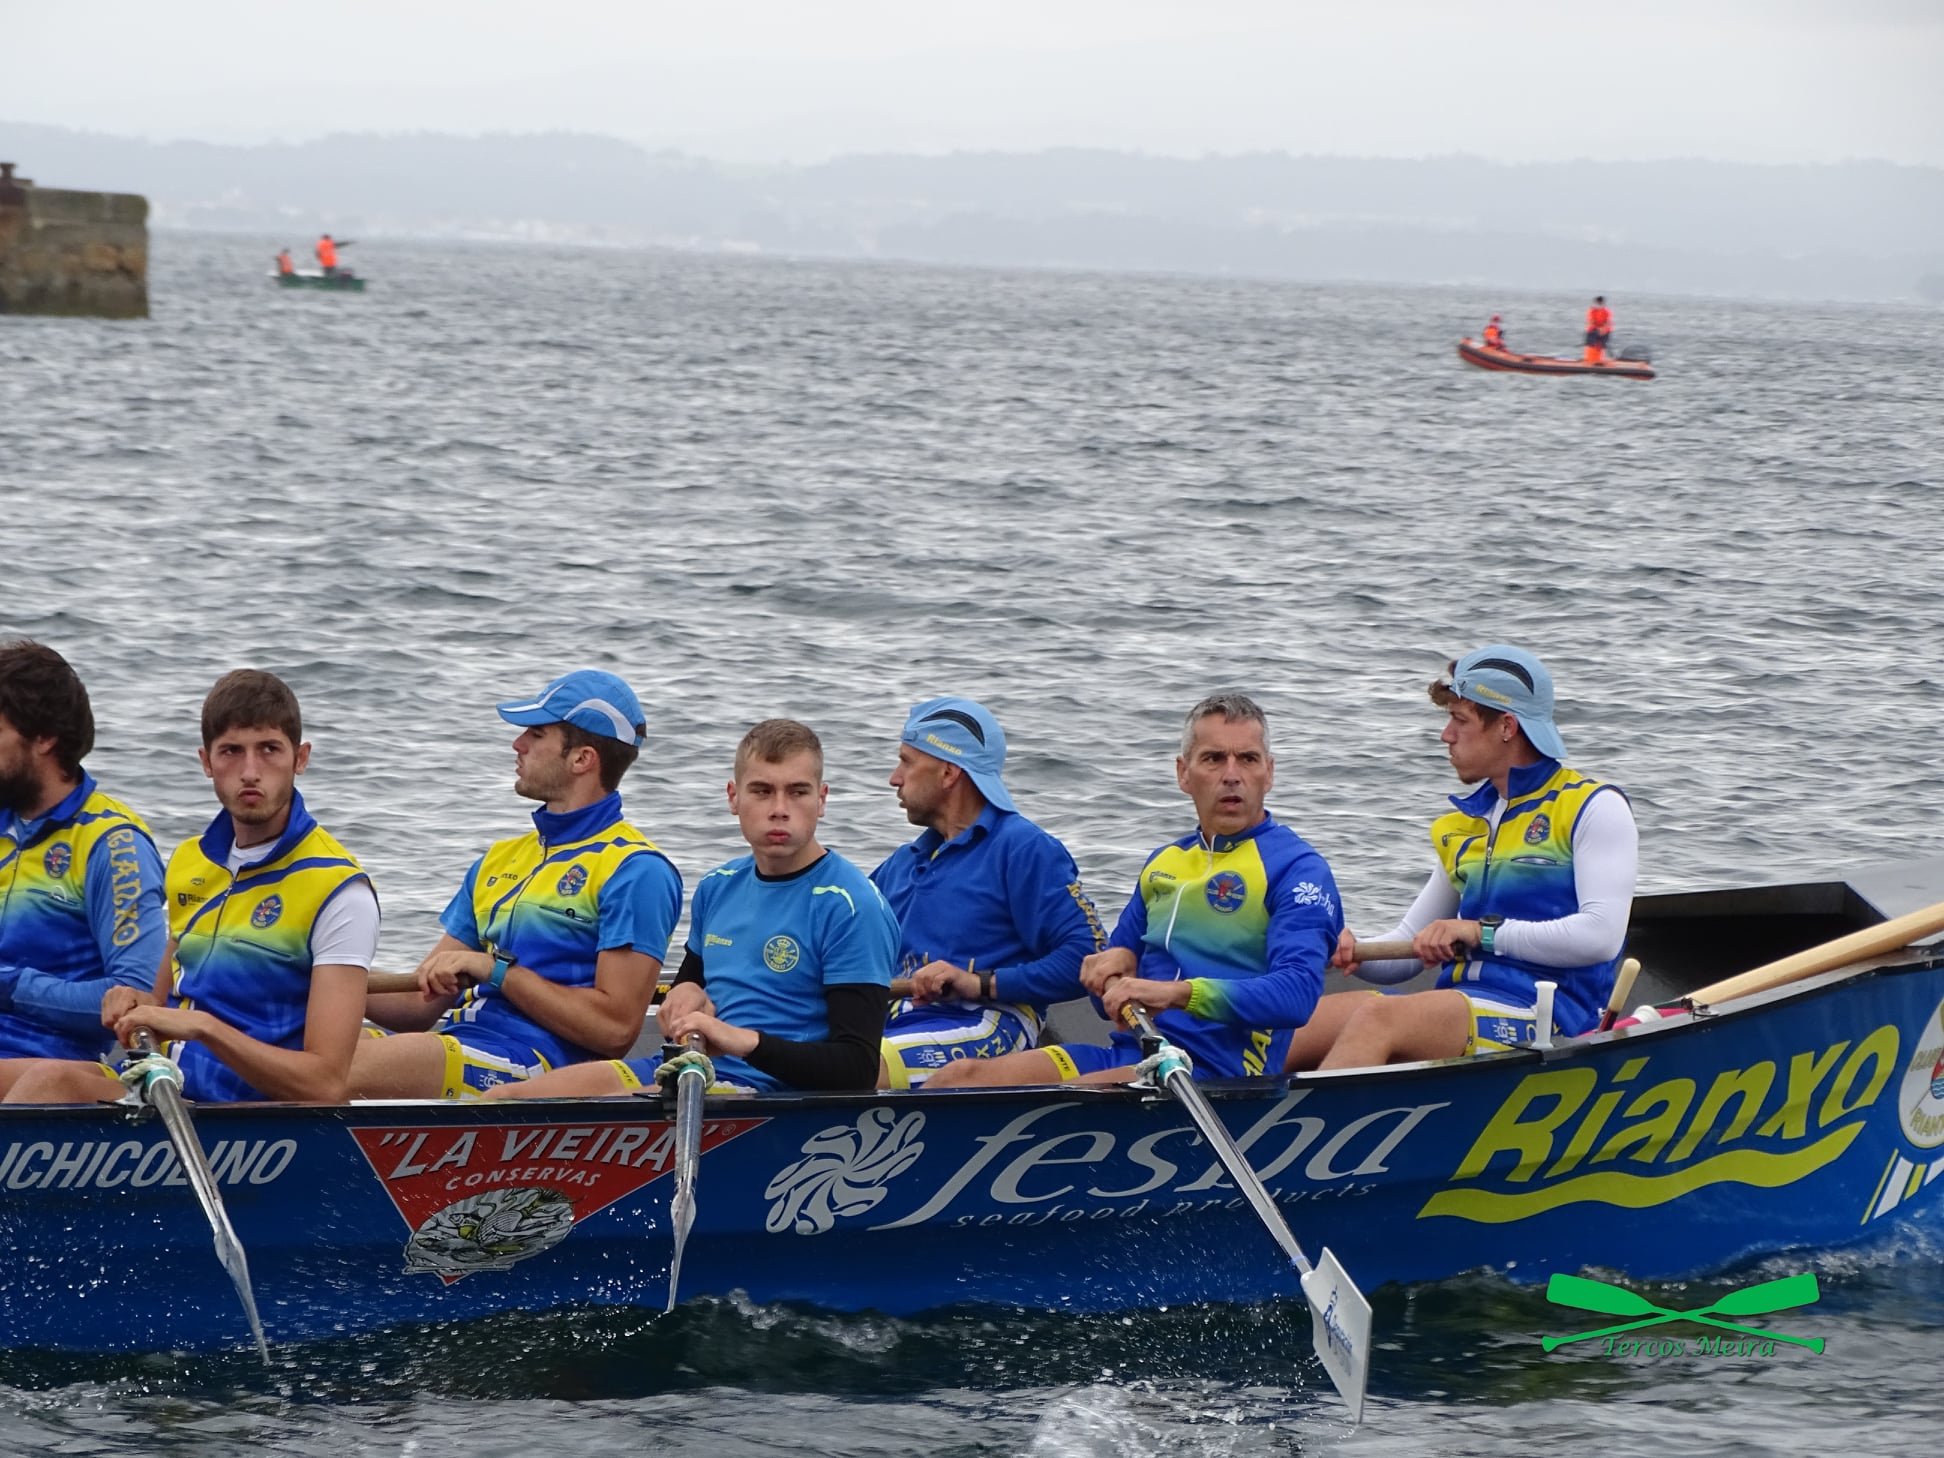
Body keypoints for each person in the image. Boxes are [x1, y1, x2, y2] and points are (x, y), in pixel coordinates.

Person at [926, 693, 1341, 1089]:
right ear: (1183, 773)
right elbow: (1105, 1003)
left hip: (1218, 1075)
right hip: (1133, 1056)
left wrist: (1176, 994)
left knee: (1067, 1100)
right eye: (1213, 758)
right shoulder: (1165, 863)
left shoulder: (1297, 869)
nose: (1232, 775)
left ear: (1269, 772)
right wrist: (1107, 970)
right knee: (958, 1079)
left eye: (1247, 759)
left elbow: (1297, 995)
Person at [4, 669, 378, 1104]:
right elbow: (156, 1001)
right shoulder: (189, 860)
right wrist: (130, 1000)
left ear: (301, 758)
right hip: (164, 1093)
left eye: (269, 749)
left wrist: (205, 1028)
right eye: (231, 751)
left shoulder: (340, 891)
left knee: (48, 1084)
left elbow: (325, 1083)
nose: (250, 771)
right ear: (206, 762)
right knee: (51, 1080)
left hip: (251, 1116)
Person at [494, 718, 897, 1098]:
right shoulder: (718, 886)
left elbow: (857, 1069)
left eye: (797, 792)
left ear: (821, 800)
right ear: (733, 798)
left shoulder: (852, 906)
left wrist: (742, 1041)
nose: (779, 808)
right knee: (507, 1100)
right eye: (761, 791)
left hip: (773, 1092)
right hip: (688, 1070)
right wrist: (685, 991)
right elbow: (692, 980)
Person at [1283, 645, 1637, 1073]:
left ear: (1506, 726)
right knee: (1290, 1026)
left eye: (1460, 720)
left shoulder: (1594, 807)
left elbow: (1600, 936)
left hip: (1552, 1016)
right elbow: (1409, 945)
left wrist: (1479, 932)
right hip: (1464, 1004)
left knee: (1378, 1019)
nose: (1446, 735)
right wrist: (1351, 949)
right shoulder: (1465, 825)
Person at [351, 669, 681, 1098]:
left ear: (582, 759)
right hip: (464, 1043)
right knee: (295, 1047)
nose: (517, 744)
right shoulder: (499, 859)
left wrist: (496, 971)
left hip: (541, 1065)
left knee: (334, 1065)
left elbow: (614, 1030)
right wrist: (323, 973)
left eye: (536, 734)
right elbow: (417, 1005)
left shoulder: (637, 871)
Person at [871, 696, 1105, 1088]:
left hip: (989, 1020)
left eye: (907, 762)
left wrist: (981, 983)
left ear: (948, 773)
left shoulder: (1024, 849)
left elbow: (1089, 958)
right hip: (895, 1020)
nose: (895, 778)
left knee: (855, 1067)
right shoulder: (899, 866)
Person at [0, 641, 168, 1098]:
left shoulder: (113, 845)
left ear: (44, 738)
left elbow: (136, 1002)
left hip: (58, 1068)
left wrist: (12, 988)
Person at [1584, 295, 1612, 363]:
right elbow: (1591, 321)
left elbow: (1607, 321)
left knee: (1602, 344)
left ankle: (1600, 359)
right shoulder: (1592, 311)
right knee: (1591, 344)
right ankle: (1591, 359)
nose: (1598, 304)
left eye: (1600, 303)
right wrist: (1598, 329)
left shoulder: (1606, 311)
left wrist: (1603, 329)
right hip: (1593, 330)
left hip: (1605, 330)